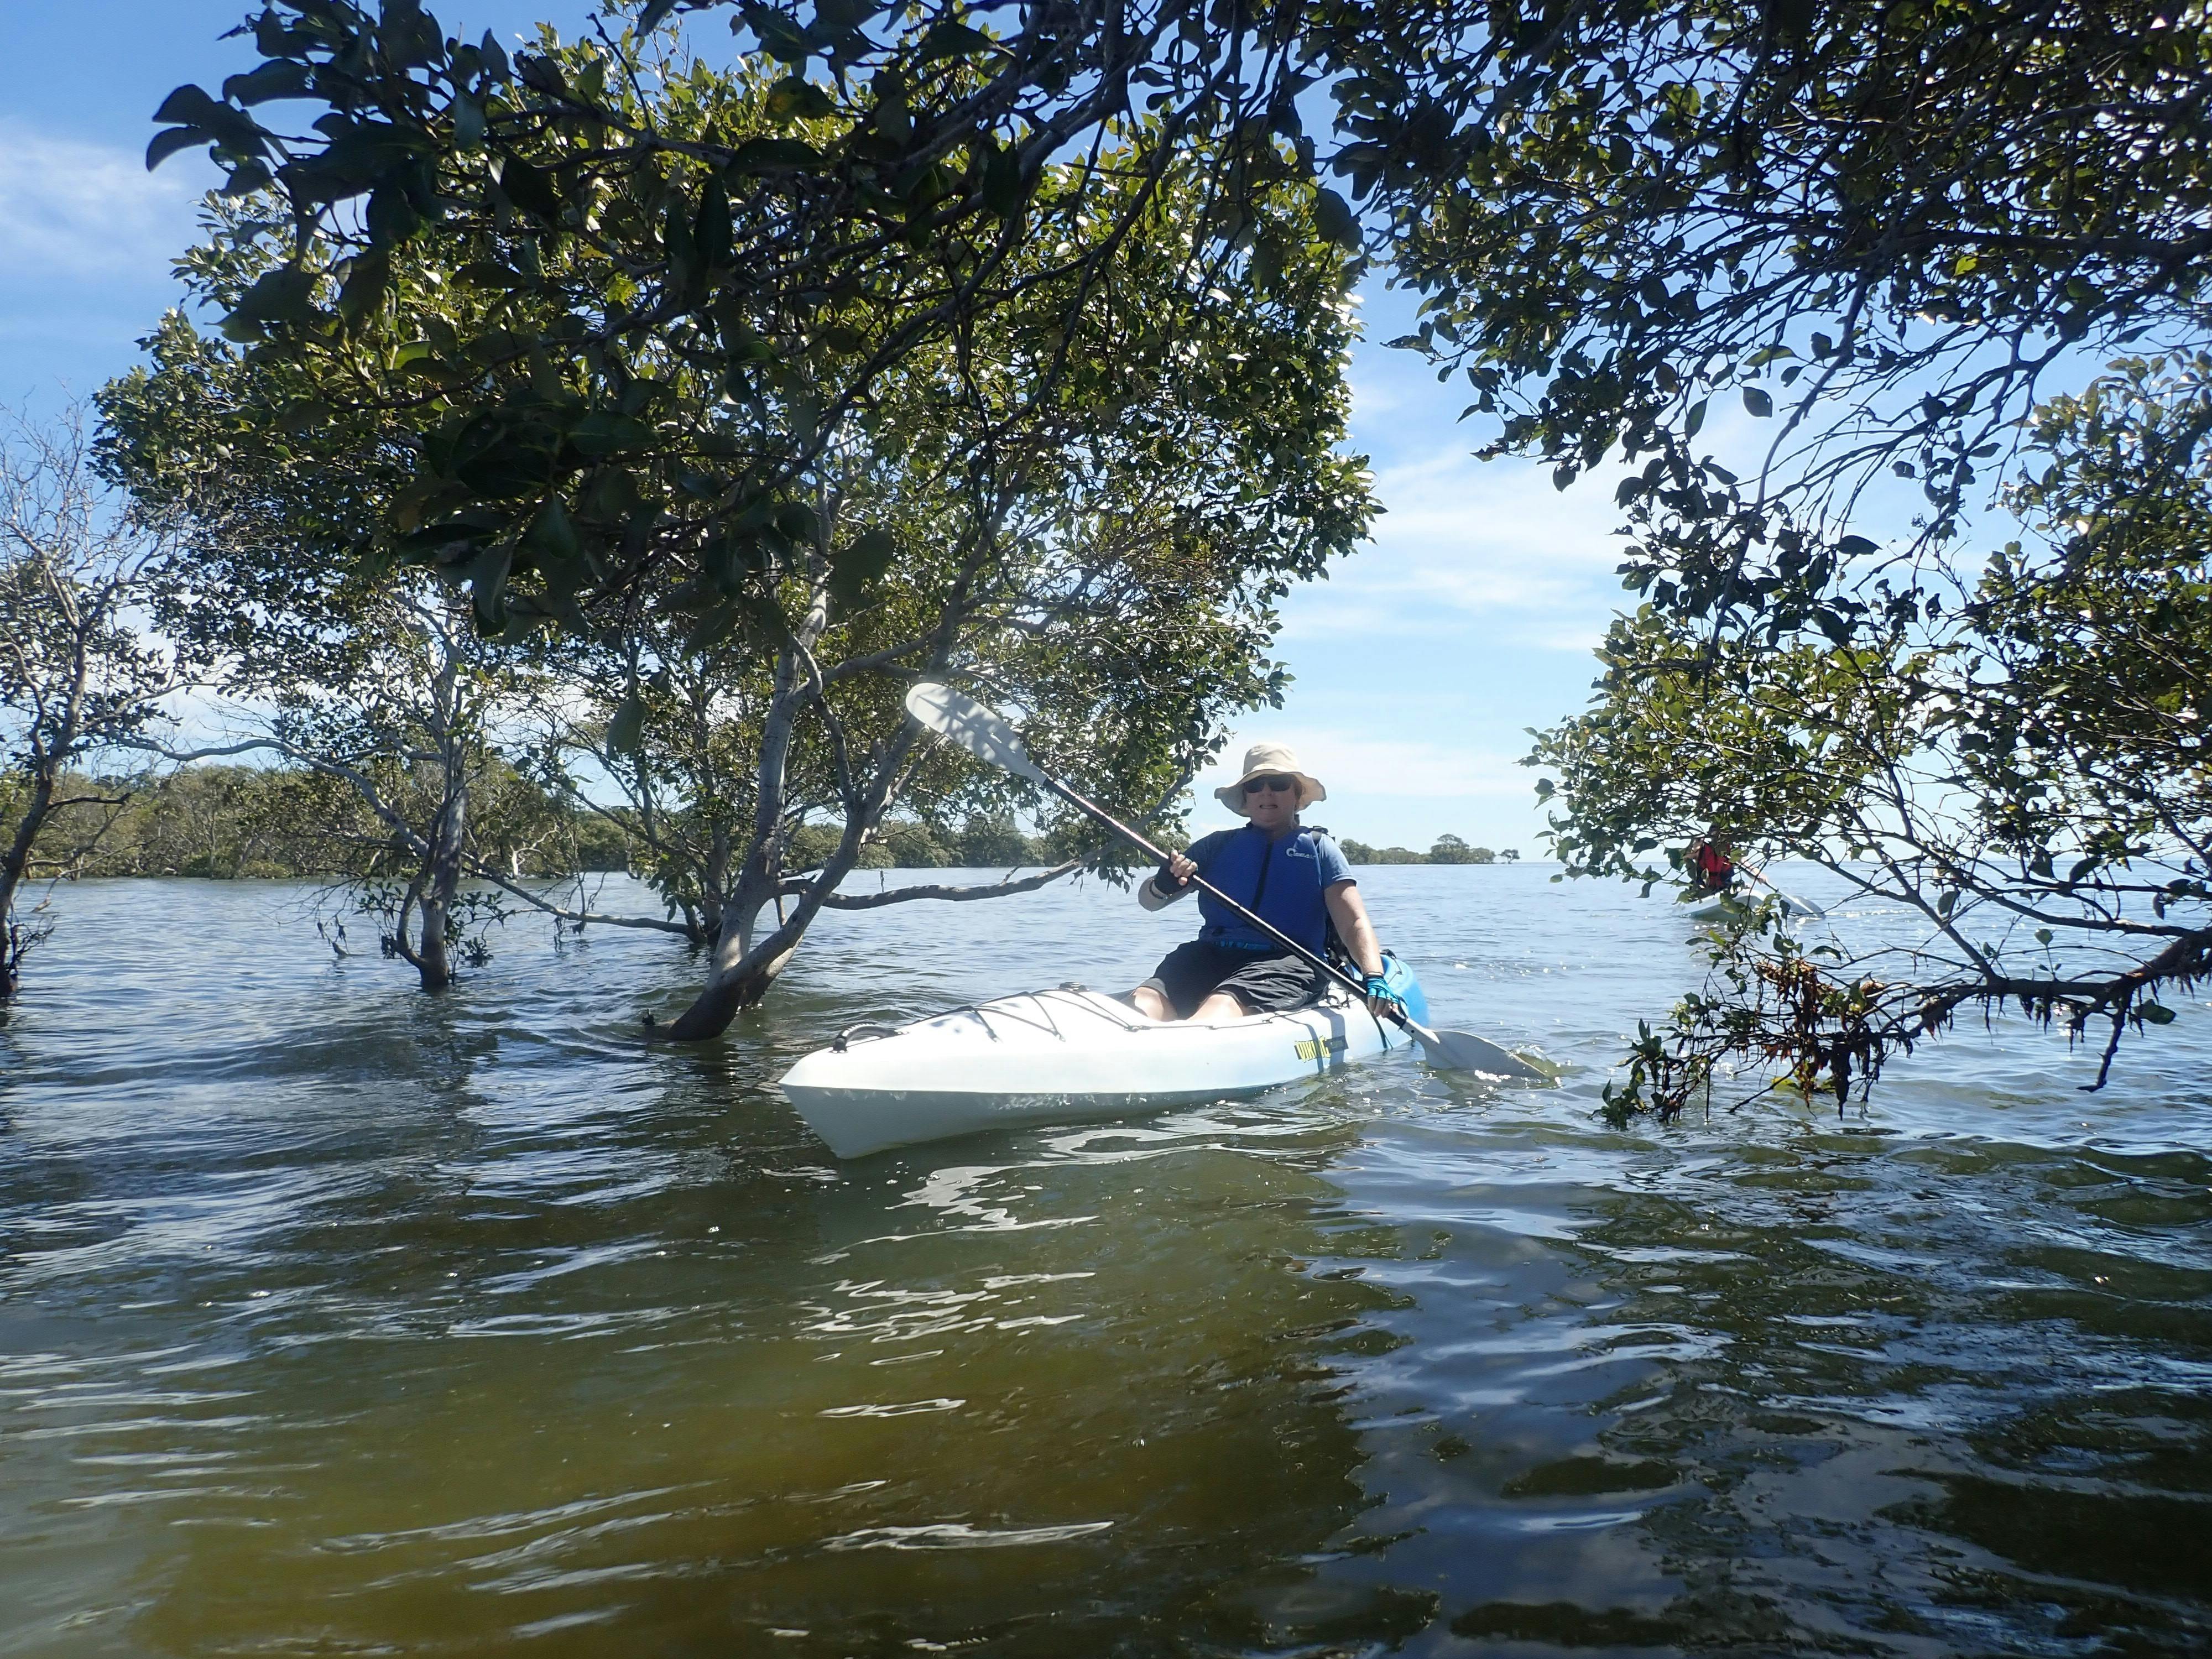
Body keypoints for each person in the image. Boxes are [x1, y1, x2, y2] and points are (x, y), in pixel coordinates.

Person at [1127, 742, 1402, 1022]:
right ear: (1245, 798)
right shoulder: (1215, 847)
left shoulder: (1321, 849)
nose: (1267, 791)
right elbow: (1149, 902)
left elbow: (1353, 921)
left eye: (1279, 783)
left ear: (1296, 795)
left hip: (1290, 962)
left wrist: (1373, 976)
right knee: (1145, 1001)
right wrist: (1163, 885)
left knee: (1221, 1006)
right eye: (1256, 785)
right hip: (1210, 955)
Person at [1687, 833, 1737, 898]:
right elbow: (1686, 857)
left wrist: (1754, 875)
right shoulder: (1701, 850)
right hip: (1704, 887)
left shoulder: (1732, 851)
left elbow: (1747, 866)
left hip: (1725, 887)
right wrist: (1695, 845)